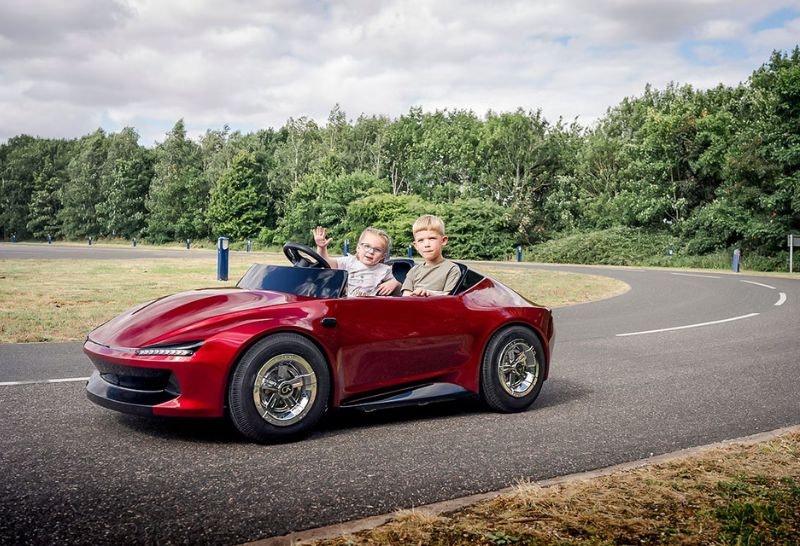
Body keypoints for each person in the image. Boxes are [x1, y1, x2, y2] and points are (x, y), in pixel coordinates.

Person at [313, 226, 401, 297]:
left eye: (377, 250)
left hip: (371, 306)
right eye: (367, 246)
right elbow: (326, 263)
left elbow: (399, 288)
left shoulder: (384, 270)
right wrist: (321, 248)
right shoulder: (349, 262)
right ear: (358, 248)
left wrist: (394, 283)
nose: (371, 252)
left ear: (383, 256)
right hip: (346, 302)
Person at [402, 214, 461, 297]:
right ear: (416, 246)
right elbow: (406, 296)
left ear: (443, 240)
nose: (426, 244)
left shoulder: (452, 269)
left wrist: (428, 294)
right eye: (421, 240)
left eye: (432, 238)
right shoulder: (413, 271)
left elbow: (448, 296)